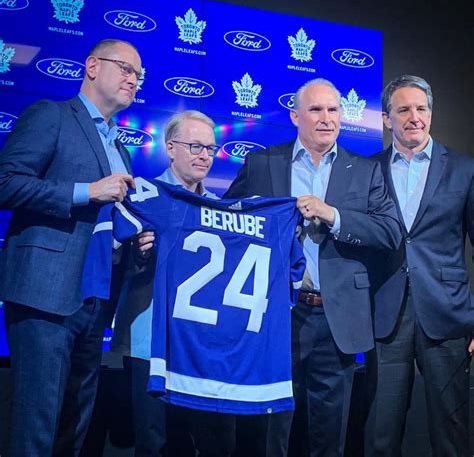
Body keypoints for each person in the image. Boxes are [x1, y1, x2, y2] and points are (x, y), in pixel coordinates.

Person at [224, 78, 402, 456]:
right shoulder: (261, 163)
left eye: (333, 110)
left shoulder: (365, 169)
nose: (326, 118)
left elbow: (390, 231)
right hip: (275, 314)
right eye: (316, 110)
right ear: (295, 116)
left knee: (329, 436)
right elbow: (225, 223)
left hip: (336, 320)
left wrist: (333, 215)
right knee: (269, 430)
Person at [0, 38, 142, 456]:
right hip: (45, 295)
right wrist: (87, 190)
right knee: (36, 425)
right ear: (93, 66)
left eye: (139, 75)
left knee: (74, 428)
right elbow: (6, 183)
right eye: (126, 69)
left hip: (94, 300)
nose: (133, 80)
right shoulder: (53, 116)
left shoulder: (120, 148)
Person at [364, 75, 474, 457]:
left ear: (431, 113)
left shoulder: (464, 169)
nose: (414, 116)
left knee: (452, 431)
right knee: (381, 432)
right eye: (404, 109)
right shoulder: (367, 170)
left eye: (422, 108)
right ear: (385, 118)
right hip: (385, 317)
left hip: (447, 315)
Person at [110, 110, 219, 456]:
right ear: (170, 148)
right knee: (151, 441)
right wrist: (139, 254)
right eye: (196, 146)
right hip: (148, 340)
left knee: (199, 442)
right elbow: (112, 261)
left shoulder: (222, 209)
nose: (205, 155)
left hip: (200, 345)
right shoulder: (141, 195)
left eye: (211, 149)